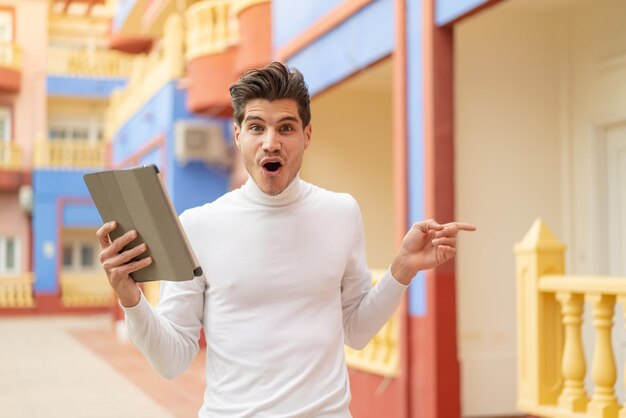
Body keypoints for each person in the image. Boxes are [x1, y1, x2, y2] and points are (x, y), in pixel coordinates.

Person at [96, 62, 475, 417]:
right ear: (238, 134)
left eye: (286, 128)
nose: (271, 143)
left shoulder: (341, 213)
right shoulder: (198, 225)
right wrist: (130, 300)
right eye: (257, 127)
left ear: (307, 135)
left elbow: (357, 332)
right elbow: (172, 360)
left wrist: (402, 270)